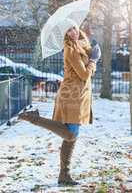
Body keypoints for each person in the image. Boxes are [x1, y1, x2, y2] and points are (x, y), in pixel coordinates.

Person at [18, 25, 97, 186]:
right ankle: (34, 119)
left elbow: (86, 66)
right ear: (65, 34)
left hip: (79, 95)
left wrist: (91, 50)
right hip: (72, 96)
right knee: (70, 135)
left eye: (74, 28)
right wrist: (94, 60)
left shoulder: (80, 45)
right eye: (68, 30)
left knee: (71, 137)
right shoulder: (70, 49)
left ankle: (64, 175)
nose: (73, 32)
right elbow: (84, 74)